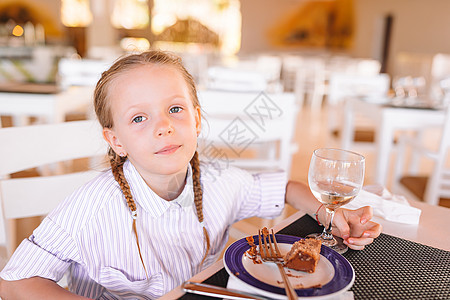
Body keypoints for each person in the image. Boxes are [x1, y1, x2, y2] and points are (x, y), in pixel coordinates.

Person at [0, 50, 381, 299]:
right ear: (116, 141)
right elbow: (15, 281)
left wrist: (328, 214)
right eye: (139, 118)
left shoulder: (217, 181)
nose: (163, 127)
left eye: (176, 109)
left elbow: (284, 187)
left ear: (197, 119)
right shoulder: (91, 208)